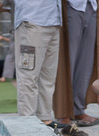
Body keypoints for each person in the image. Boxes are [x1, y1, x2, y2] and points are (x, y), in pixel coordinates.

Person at [14, 0, 65, 129]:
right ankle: (27, 121)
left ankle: (45, 118)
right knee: (28, 75)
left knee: (48, 76)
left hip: (53, 21)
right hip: (32, 21)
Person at [53, 0, 99, 131]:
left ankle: (78, 109)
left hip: (90, 6)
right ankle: (63, 111)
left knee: (86, 62)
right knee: (68, 60)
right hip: (71, 6)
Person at [0, 0, 15, 83]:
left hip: (16, 28)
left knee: (11, 53)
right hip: (22, 28)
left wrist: (9, 10)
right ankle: (5, 76)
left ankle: (4, 76)